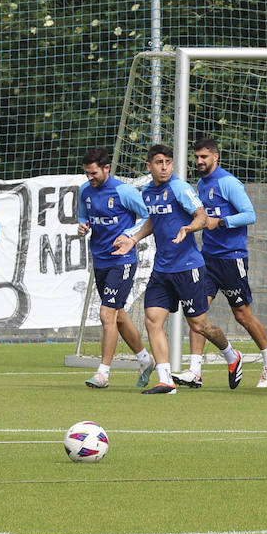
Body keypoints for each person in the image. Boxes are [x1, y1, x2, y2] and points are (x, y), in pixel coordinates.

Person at [127, 144, 241, 394]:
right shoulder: (148, 192)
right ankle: (166, 380)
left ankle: (231, 355)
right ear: (149, 166)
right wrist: (134, 238)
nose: (165, 166)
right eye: (159, 162)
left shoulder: (179, 187)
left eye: (168, 161)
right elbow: (153, 220)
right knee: (152, 320)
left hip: (188, 268)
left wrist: (189, 228)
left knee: (200, 325)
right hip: (162, 270)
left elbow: (201, 215)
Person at [179, 138, 267, 388]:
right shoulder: (201, 184)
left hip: (232, 258)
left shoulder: (229, 182)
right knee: (196, 313)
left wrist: (221, 222)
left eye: (204, 157)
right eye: (197, 157)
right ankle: (195, 370)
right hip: (207, 258)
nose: (199, 161)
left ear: (216, 157)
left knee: (242, 315)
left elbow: (250, 215)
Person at [76, 147, 153, 389]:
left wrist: (129, 235)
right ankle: (144, 359)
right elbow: (82, 217)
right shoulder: (84, 191)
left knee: (106, 313)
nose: (90, 178)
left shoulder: (124, 191)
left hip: (123, 260)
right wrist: (83, 226)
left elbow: (147, 217)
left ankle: (103, 373)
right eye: (87, 173)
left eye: (94, 173)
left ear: (106, 168)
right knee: (117, 314)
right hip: (100, 259)